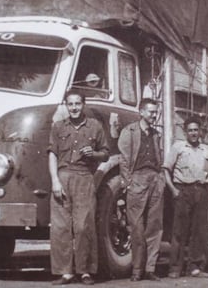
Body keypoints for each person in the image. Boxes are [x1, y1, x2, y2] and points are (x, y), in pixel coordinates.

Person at [48, 90, 109, 285]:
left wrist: (94, 154)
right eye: (70, 104)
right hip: (63, 177)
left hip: (84, 178)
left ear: (84, 104)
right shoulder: (58, 127)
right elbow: (52, 155)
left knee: (84, 226)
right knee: (61, 227)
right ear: (66, 105)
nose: (74, 107)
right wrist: (55, 181)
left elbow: (106, 153)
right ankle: (65, 272)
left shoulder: (95, 126)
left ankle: (85, 271)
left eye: (77, 103)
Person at [163, 116, 208, 279]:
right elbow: (166, 169)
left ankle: (195, 267)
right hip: (183, 190)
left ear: (200, 131)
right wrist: (173, 190)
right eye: (190, 130)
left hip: (201, 191)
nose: (194, 133)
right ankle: (175, 268)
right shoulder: (178, 147)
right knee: (179, 231)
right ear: (185, 132)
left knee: (200, 231)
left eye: (196, 130)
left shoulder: (206, 150)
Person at [117, 98, 165, 282]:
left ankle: (150, 269)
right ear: (142, 112)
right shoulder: (129, 131)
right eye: (151, 112)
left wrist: (160, 178)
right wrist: (127, 182)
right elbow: (123, 159)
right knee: (136, 226)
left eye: (155, 112)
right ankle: (137, 269)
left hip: (155, 180)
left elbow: (159, 157)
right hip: (136, 179)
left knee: (154, 225)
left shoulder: (156, 134)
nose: (154, 115)